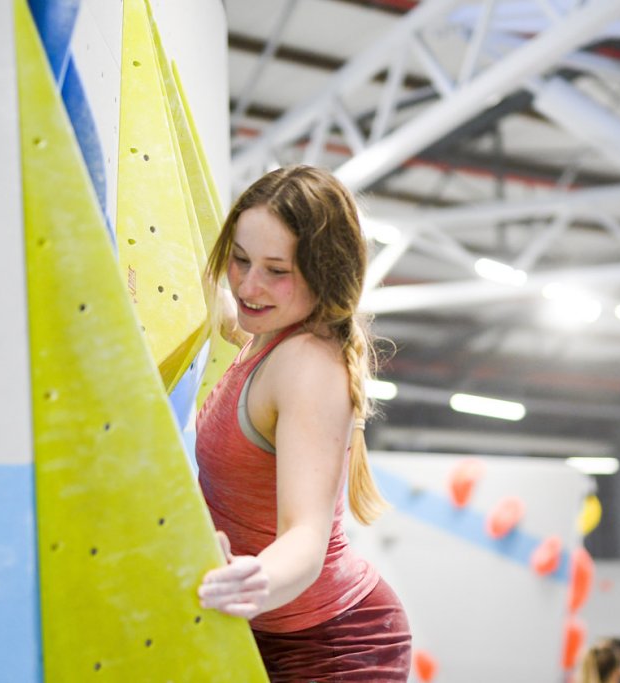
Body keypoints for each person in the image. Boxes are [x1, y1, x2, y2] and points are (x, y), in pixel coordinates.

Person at [193, 165, 412, 681]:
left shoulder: (308, 367)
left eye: (276, 270)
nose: (249, 285)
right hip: (276, 631)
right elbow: (231, 309)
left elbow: (306, 538)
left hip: (336, 645)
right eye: (240, 259)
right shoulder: (267, 331)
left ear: (324, 273)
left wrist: (252, 579)